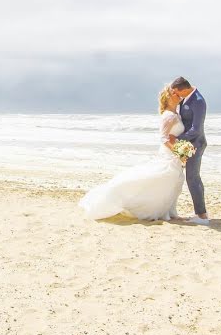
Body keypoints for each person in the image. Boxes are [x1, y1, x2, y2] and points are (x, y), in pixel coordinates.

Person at [78, 86, 187, 221]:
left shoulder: (177, 114)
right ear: (168, 98)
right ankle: (127, 199)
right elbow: (164, 138)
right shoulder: (168, 116)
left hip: (174, 153)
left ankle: (170, 213)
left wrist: (182, 149)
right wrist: (179, 152)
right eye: (173, 93)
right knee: (163, 178)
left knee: (173, 181)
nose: (177, 94)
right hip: (169, 153)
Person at [166, 76, 209, 225]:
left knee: (192, 178)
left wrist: (177, 139)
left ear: (184, 89)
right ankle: (200, 211)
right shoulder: (186, 98)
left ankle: (202, 215)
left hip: (195, 144)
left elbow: (196, 129)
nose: (177, 95)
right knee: (193, 177)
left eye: (177, 92)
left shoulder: (197, 101)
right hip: (187, 144)